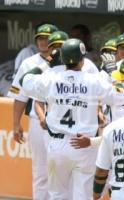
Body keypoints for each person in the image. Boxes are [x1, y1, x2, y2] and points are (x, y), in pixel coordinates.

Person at [19, 38, 124, 199]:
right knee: (83, 196)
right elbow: (120, 96)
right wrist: (112, 72)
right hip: (84, 144)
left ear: (62, 58)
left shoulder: (51, 78)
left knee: (57, 195)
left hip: (57, 145)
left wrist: (47, 63)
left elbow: (24, 80)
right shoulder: (93, 80)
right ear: (82, 60)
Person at [7, 23, 58, 200]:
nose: (44, 42)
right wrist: (15, 124)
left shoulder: (68, 60)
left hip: (63, 122)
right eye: (40, 38)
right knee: (41, 170)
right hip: (38, 121)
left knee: (60, 170)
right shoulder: (29, 63)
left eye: (47, 38)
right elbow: (20, 97)